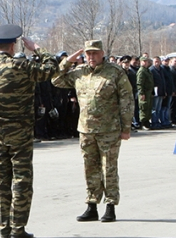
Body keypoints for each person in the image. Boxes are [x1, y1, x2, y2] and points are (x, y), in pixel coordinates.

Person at [0, 25, 57, 238]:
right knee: (22, 179)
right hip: (20, 133)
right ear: (13, 45)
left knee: (0, 180)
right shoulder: (22, 66)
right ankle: (18, 227)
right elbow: (51, 68)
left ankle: (3, 227)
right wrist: (36, 48)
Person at [52, 40, 133, 223]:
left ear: (102, 53)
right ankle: (92, 204)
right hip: (86, 129)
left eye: (95, 53)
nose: (91, 57)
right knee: (90, 168)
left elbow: (126, 100)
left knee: (109, 168)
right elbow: (56, 79)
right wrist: (68, 61)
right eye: (88, 54)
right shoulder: (79, 73)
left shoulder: (114, 72)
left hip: (109, 129)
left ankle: (110, 206)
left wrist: (126, 127)